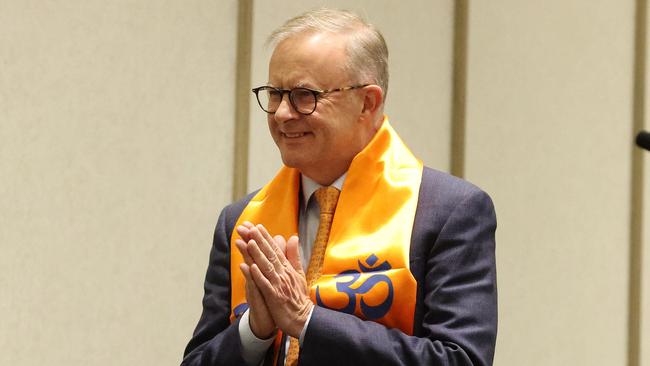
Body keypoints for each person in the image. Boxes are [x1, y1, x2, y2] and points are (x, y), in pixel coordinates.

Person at [182, 8, 497, 366]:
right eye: (274, 94)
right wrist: (254, 331)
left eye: (304, 95)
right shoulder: (241, 221)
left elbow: (460, 361)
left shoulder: (447, 212)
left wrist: (306, 320)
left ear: (368, 102)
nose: (282, 113)